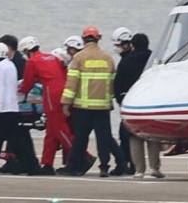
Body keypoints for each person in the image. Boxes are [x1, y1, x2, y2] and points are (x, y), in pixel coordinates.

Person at [57, 27, 119, 177]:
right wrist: (109, 101)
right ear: (98, 39)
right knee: (103, 138)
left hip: (82, 107)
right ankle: (104, 167)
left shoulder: (79, 58)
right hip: (102, 107)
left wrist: (66, 103)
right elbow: (111, 84)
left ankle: (75, 167)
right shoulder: (108, 58)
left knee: (80, 139)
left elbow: (71, 84)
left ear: (84, 40)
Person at [0, 43, 41, 175]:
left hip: (2, 110)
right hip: (12, 108)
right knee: (17, 140)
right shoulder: (10, 65)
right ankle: (31, 166)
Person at [17, 36, 71, 176]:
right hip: (63, 91)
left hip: (51, 94)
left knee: (60, 129)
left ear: (27, 50)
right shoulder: (52, 57)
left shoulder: (32, 61)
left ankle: (82, 155)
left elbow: (27, 84)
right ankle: (47, 164)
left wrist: (19, 92)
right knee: (51, 131)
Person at [116, 33, 165, 179]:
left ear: (133, 45)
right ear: (148, 44)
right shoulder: (156, 61)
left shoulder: (126, 62)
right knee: (153, 137)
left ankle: (139, 170)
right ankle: (155, 168)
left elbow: (117, 85)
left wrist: (121, 100)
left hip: (133, 102)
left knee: (135, 138)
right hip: (153, 102)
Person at [111, 27, 136, 175]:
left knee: (125, 135)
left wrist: (119, 96)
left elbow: (119, 83)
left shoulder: (126, 61)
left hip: (128, 103)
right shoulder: (129, 59)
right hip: (129, 102)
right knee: (127, 136)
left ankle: (126, 164)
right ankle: (130, 164)